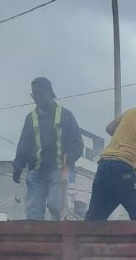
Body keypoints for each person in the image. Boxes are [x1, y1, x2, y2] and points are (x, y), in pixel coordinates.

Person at [12, 78, 84, 221]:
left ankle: (59, 238)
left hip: (58, 170)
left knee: (55, 206)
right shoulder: (30, 119)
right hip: (37, 172)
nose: (37, 98)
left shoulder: (65, 115)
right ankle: (36, 242)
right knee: (33, 213)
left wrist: (68, 158)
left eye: (40, 94)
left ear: (50, 93)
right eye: (34, 95)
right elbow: (23, 145)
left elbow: (77, 143)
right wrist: (18, 166)